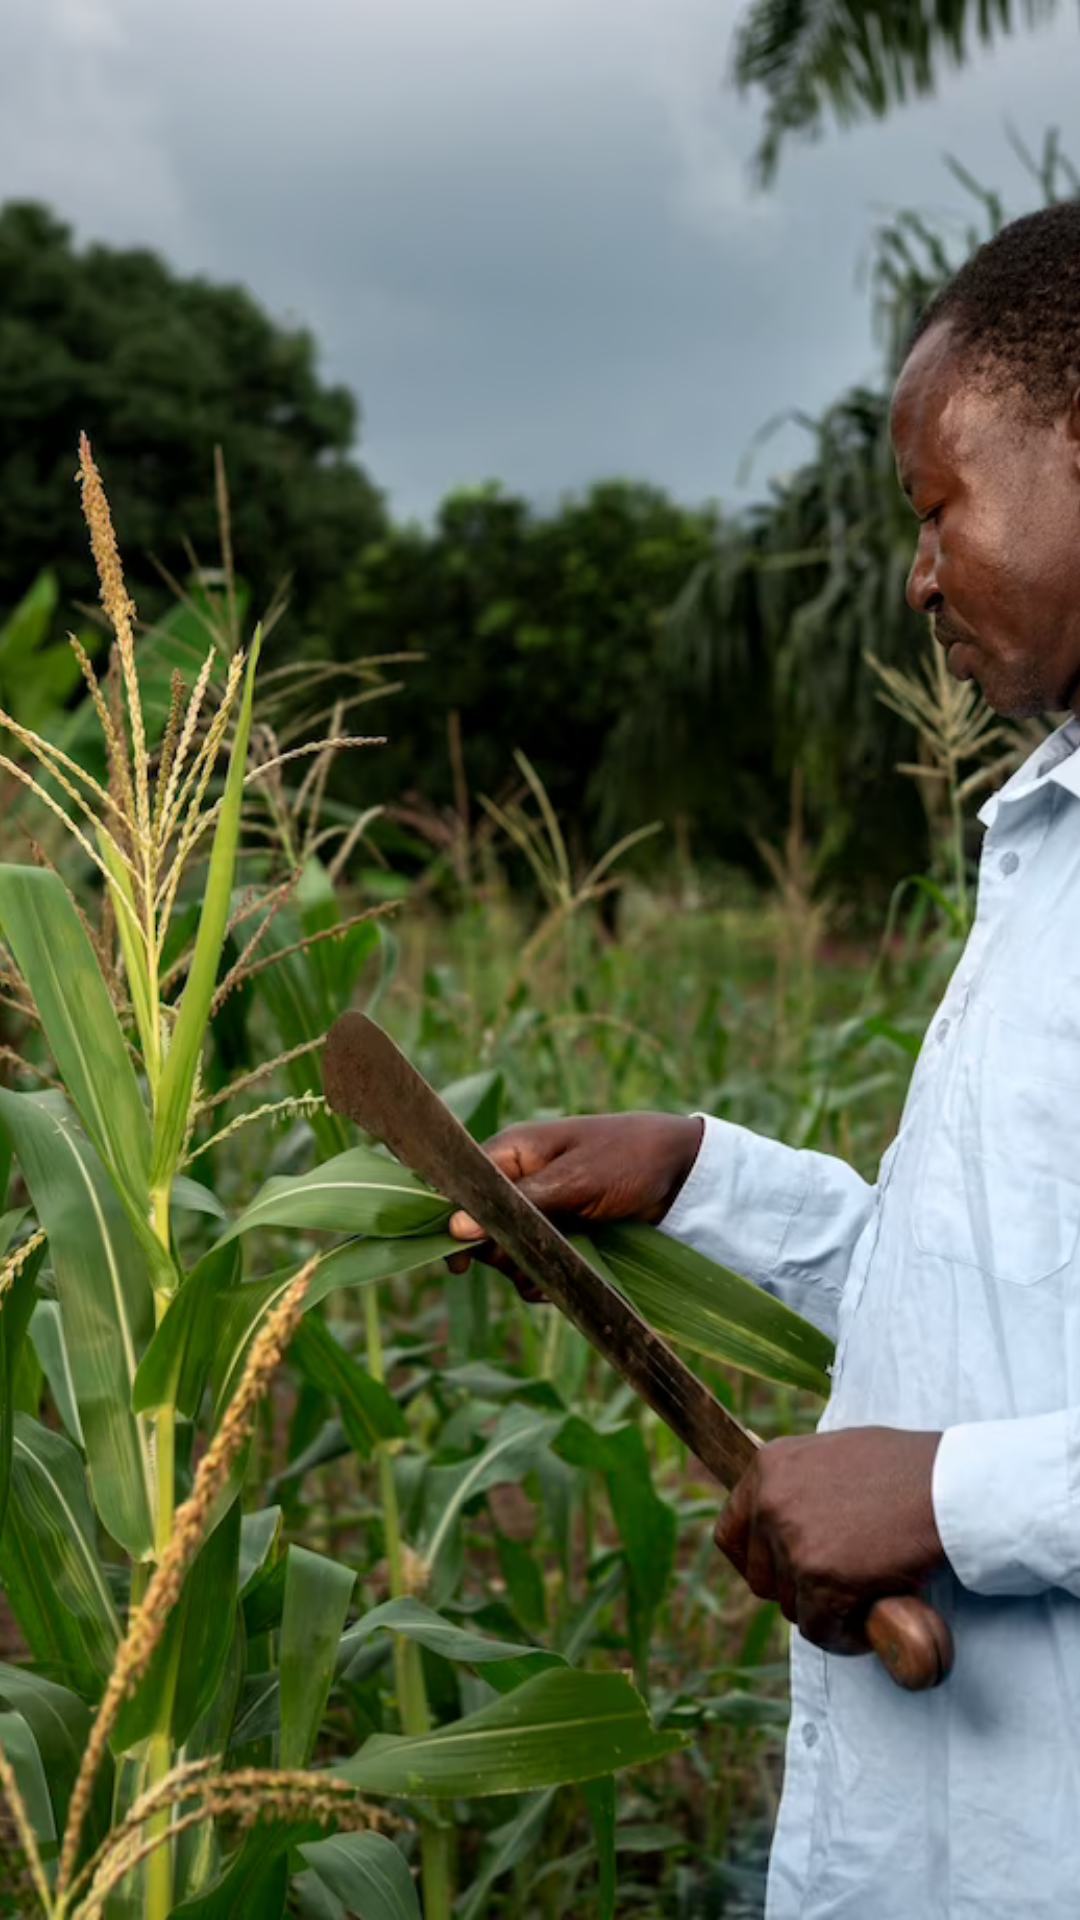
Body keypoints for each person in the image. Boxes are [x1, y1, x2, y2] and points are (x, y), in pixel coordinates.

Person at [448, 200, 1080, 1919]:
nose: (919, 568)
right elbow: (989, 1297)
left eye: (939, 504)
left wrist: (949, 1493)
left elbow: (974, 1433)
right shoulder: (1049, 848)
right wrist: (698, 1173)